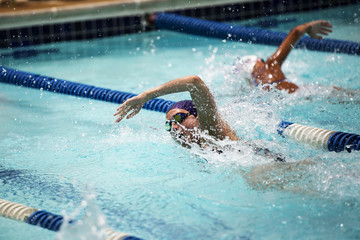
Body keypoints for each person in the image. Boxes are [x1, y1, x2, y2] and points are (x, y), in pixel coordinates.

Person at [113, 20, 332, 160]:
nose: (175, 127)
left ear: (196, 114)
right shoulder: (194, 142)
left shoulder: (208, 127)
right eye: (169, 124)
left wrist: (145, 96)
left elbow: (194, 81)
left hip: (263, 160)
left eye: (179, 118)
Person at [233, 20, 333, 93]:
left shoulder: (259, 88)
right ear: (258, 61)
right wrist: (309, 26)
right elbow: (295, 32)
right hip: (307, 95)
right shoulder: (269, 66)